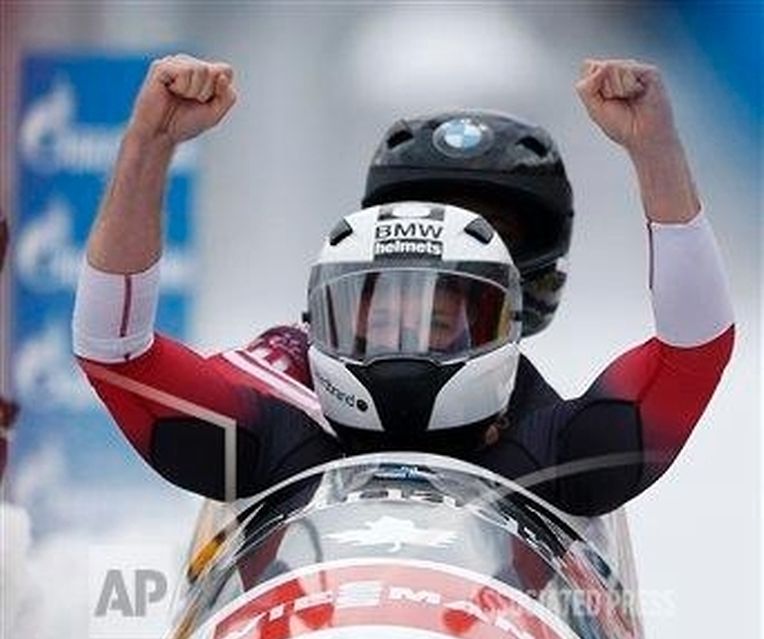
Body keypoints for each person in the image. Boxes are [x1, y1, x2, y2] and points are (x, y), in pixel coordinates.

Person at [72, 55, 734, 516]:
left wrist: (656, 150)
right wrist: (149, 143)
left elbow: (693, 349)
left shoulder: (552, 451)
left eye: (442, 317)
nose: (407, 336)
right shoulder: (272, 424)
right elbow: (116, 349)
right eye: (383, 314)